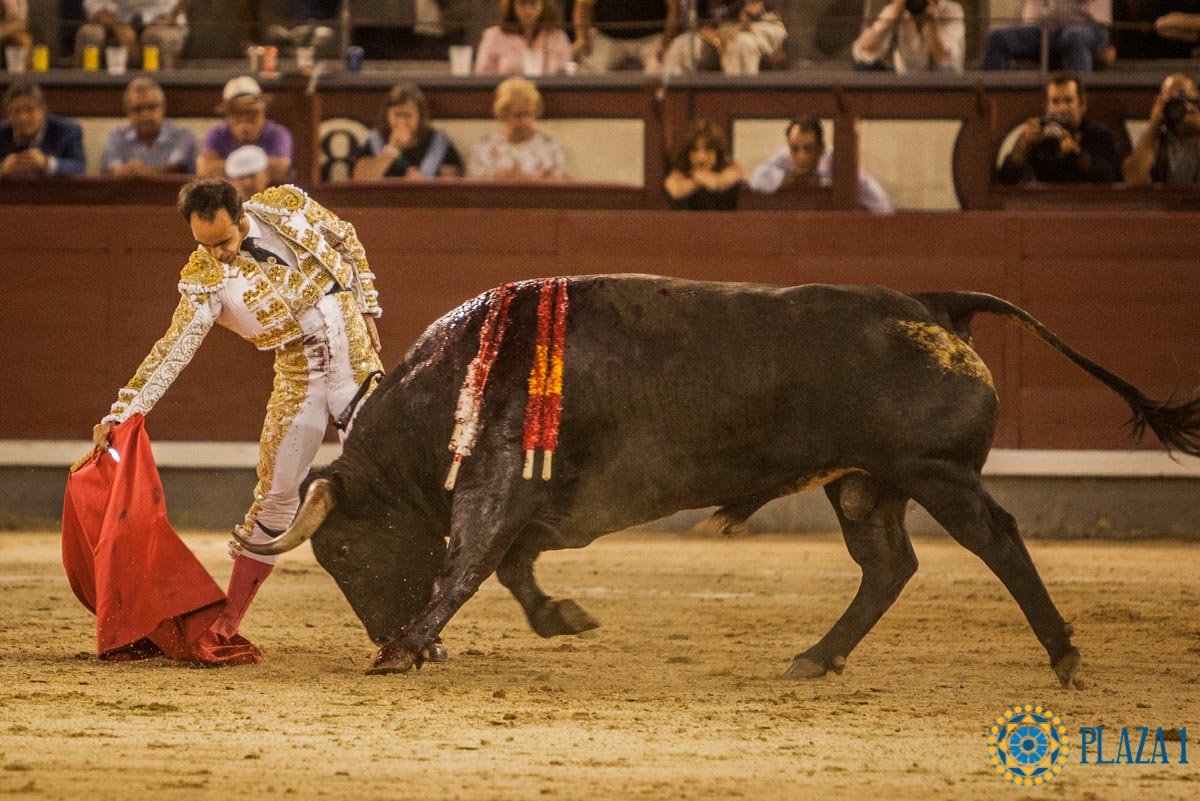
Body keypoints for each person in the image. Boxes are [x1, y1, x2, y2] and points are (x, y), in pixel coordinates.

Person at [89, 179, 384, 645]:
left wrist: (367, 304)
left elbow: (344, 236)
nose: (217, 254)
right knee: (276, 496)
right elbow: (172, 350)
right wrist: (123, 412)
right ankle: (228, 621)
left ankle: (413, 621)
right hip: (300, 376)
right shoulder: (204, 280)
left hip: (356, 360)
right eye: (204, 244)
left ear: (242, 216)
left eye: (223, 241)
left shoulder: (284, 206)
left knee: (386, 485)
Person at [748, 115, 894, 214]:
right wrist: (786, 178)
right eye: (795, 149)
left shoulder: (838, 162)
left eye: (808, 149)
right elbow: (756, 178)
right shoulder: (785, 156)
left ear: (821, 149)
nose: (801, 157)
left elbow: (883, 206)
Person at [996, 72, 1119, 185]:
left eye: (1068, 101)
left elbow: (1110, 177)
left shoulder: (1099, 135)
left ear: (1082, 104)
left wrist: (1076, 154)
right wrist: (1023, 145)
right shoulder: (1038, 134)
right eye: (1055, 101)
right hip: (1043, 201)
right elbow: (1005, 180)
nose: (1061, 109)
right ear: (1047, 106)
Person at [352, 83, 465, 180]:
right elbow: (359, 179)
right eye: (397, 115)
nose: (402, 122)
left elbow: (452, 184)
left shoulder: (438, 142)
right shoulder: (376, 139)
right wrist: (392, 148)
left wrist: (424, 183)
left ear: (420, 117)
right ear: (387, 115)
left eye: (408, 115)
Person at [466, 76, 567, 180]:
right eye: (518, 115)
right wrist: (496, 179)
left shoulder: (550, 148)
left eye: (530, 114)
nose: (526, 122)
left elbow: (560, 185)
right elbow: (472, 186)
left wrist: (532, 181)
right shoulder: (482, 148)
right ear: (503, 114)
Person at [198, 76, 293, 185]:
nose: (244, 119)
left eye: (251, 112)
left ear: (262, 112)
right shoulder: (217, 134)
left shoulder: (277, 133)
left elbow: (280, 168)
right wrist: (259, 169)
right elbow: (205, 169)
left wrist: (228, 168)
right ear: (228, 116)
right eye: (237, 113)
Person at [980, 0, 1114, 72]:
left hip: (1089, 27)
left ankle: (1078, 104)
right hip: (1044, 29)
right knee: (998, 38)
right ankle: (991, 102)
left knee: (1072, 38)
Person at [662, 1, 787, 76]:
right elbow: (693, 20)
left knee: (741, 44)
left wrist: (732, 31)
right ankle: (674, 109)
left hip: (760, 24)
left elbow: (756, 7)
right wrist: (716, 38)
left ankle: (740, 109)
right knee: (682, 46)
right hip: (717, 31)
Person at [102, 77, 197, 176]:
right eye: (138, 109)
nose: (145, 115)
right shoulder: (116, 138)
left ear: (163, 108)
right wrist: (125, 172)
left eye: (151, 107)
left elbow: (177, 168)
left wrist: (139, 172)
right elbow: (112, 170)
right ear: (127, 112)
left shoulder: (183, 136)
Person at [1124, 72, 1200, 185]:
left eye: (1186, 100)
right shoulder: (1154, 138)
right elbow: (1133, 180)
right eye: (1173, 102)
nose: (1180, 109)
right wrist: (1153, 125)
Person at [851, 0, 965, 73]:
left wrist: (931, 23)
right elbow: (862, 53)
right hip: (903, 84)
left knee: (945, 71)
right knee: (863, 66)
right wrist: (892, 19)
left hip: (936, 86)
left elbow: (945, 62)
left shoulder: (951, 11)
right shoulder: (894, 11)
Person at [0, 81, 85, 178]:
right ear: (7, 114)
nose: (23, 118)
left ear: (43, 110)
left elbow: (79, 167)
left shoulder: (67, 130)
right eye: (16, 111)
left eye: (29, 109)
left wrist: (46, 163)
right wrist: (2, 168)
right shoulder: (2, 132)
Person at [76, 0, 188, 69]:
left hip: (162, 20)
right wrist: (118, 28)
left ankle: (159, 97)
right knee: (89, 34)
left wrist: (173, 15)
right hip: (114, 19)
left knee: (157, 38)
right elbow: (93, 3)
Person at [573, 0, 679, 73]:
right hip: (608, 38)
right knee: (587, 71)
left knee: (663, 73)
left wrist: (668, 40)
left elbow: (674, 8)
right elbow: (582, 8)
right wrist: (582, 38)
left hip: (652, 39)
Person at [475, 0, 573, 76]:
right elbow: (481, 76)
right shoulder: (494, 36)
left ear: (543, 4)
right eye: (522, 3)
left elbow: (566, 75)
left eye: (533, 3)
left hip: (550, 94)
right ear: (512, 4)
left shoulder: (558, 37)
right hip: (508, 94)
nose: (528, 9)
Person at [663, 119, 744, 210]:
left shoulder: (729, 171)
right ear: (687, 153)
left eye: (708, 150)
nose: (701, 158)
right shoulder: (679, 175)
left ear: (717, 152)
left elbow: (724, 180)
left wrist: (712, 180)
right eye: (694, 150)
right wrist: (697, 178)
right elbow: (674, 190)